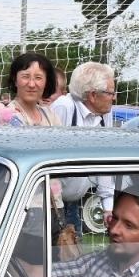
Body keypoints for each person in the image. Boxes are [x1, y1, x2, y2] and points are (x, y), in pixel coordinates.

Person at [51, 62, 120, 231]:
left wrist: (108, 206)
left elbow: (104, 160)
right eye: (110, 92)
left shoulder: (106, 114)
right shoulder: (64, 107)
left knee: (74, 253)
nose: (114, 97)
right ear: (92, 95)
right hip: (51, 203)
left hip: (74, 203)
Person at [3, 52, 62, 127]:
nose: (31, 84)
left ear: (46, 82)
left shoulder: (50, 115)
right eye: (25, 76)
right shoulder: (8, 115)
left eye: (38, 78)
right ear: (15, 80)